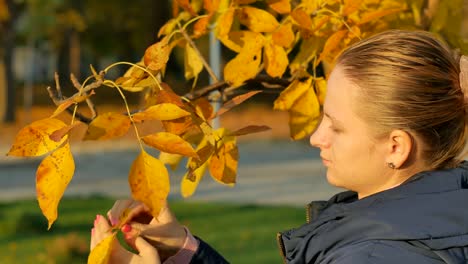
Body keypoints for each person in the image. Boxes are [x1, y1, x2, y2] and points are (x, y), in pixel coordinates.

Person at [90, 29, 468, 263]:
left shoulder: (375, 254)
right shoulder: (434, 217)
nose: (316, 137)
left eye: (336, 127)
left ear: (396, 147)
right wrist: (186, 253)